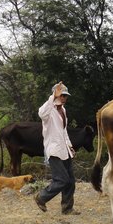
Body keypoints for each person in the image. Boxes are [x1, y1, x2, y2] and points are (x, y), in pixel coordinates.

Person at [34, 81, 78, 215]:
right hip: (54, 150)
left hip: (64, 149)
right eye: (62, 95)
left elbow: (63, 131)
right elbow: (41, 113)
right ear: (55, 95)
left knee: (70, 181)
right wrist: (53, 96)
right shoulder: (49, 110)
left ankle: (67, 208)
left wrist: (70, 146)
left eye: (66, 96)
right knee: (62, 180)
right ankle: (41, 197)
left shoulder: (63, 110)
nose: (64, 98)